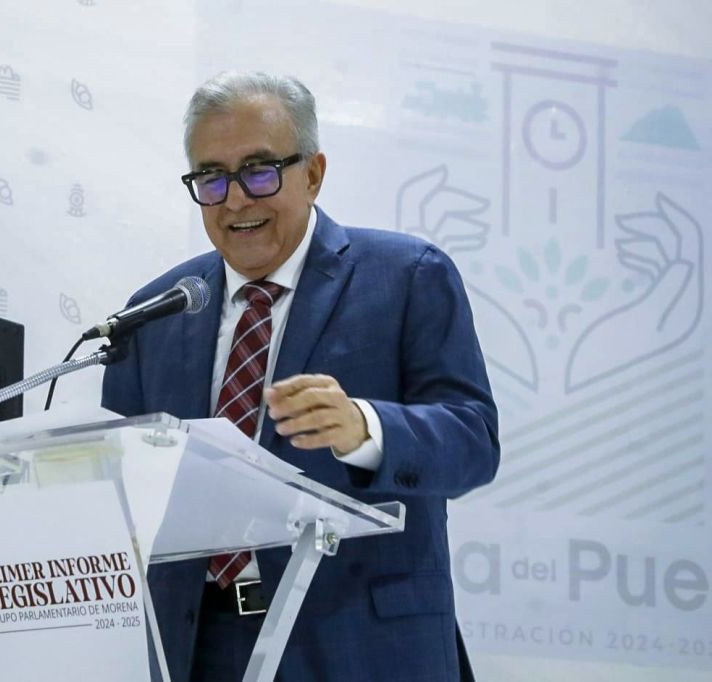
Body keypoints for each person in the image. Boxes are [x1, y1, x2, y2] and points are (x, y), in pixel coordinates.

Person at [101, 71, 499, 682]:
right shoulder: (155, 313)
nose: (235, 200)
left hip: (357, 646)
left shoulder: (406, 275)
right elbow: (118, 495)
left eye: (259, 171)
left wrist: (364, 427)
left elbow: (472, 444)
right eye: (211, 177)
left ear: (313, 173)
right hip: (195, 648)